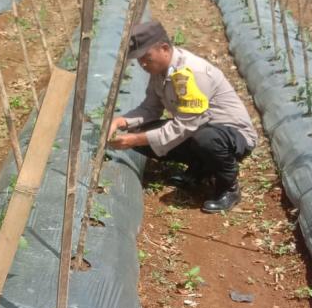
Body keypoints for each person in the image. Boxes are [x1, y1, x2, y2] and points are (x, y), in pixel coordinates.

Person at [107, 20, 257, 213]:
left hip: (232, 135)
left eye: (146, 57)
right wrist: (121, 121)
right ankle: (200, 169)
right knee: (140, 131)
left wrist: (134, 140)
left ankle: (228, 187)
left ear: (164, 48)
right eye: (139, 60)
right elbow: (151, 108)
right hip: (197, 129)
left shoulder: (193, 73)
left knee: (205, 139)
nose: (143, 64)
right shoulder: (159, 71)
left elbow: (186, 126)